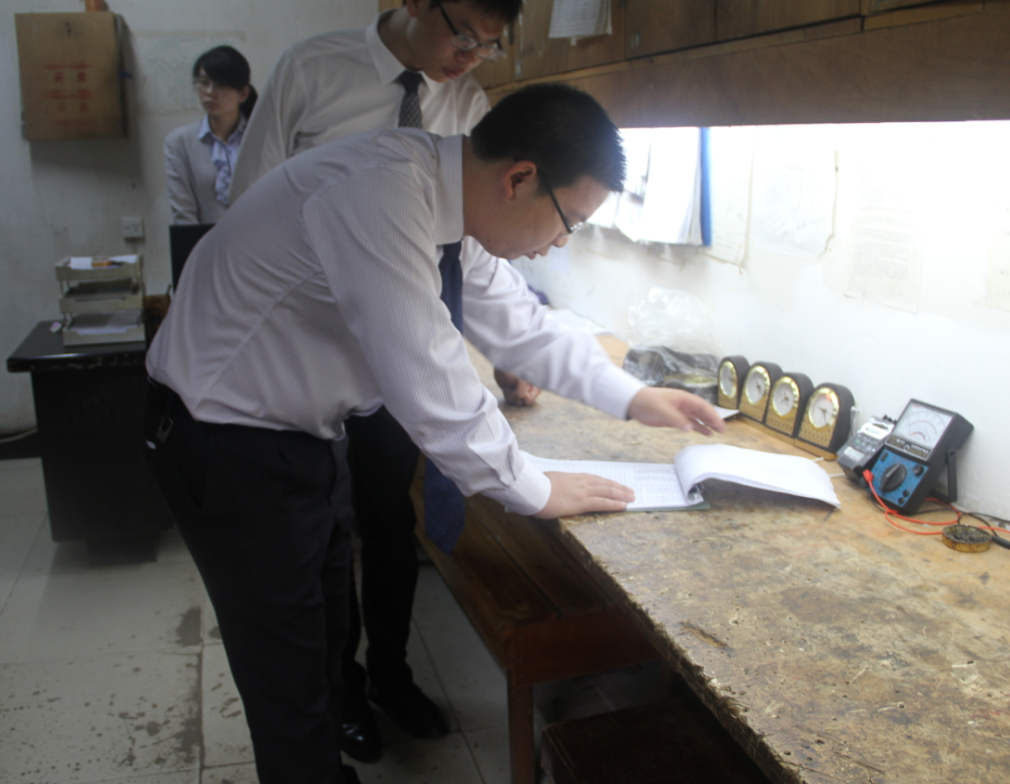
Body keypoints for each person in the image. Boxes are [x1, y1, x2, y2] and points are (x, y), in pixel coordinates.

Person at [144, 83, 726, 784]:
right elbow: (427, 371)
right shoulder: (380, 195)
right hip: (227, 441)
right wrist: (534, 488)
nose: (560, 242)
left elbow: (523, 327)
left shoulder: (447, 203)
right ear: (520, 178)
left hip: (301, 432)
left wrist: (634, 396)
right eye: (568, 220)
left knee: (323, 645)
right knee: (287, 683)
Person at [228, 0, 537, 761]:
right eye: (462, 35)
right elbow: (250, 201)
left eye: (488, 46)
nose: (469, 58)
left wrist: (506, 345)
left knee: (389, 522)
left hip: (401, 350)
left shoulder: (466, 102)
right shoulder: (310, 69)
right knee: (327, 531)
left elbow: (478, 237)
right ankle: (341, 691)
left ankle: (392, 674)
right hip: (311, 355)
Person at [164, 45, 257, 224]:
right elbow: (183, 212)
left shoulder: (261, 136)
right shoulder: (180, 141)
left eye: (220, 85)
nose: (209, 92)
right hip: (207, 239)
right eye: (204, 83)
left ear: (243, 93)